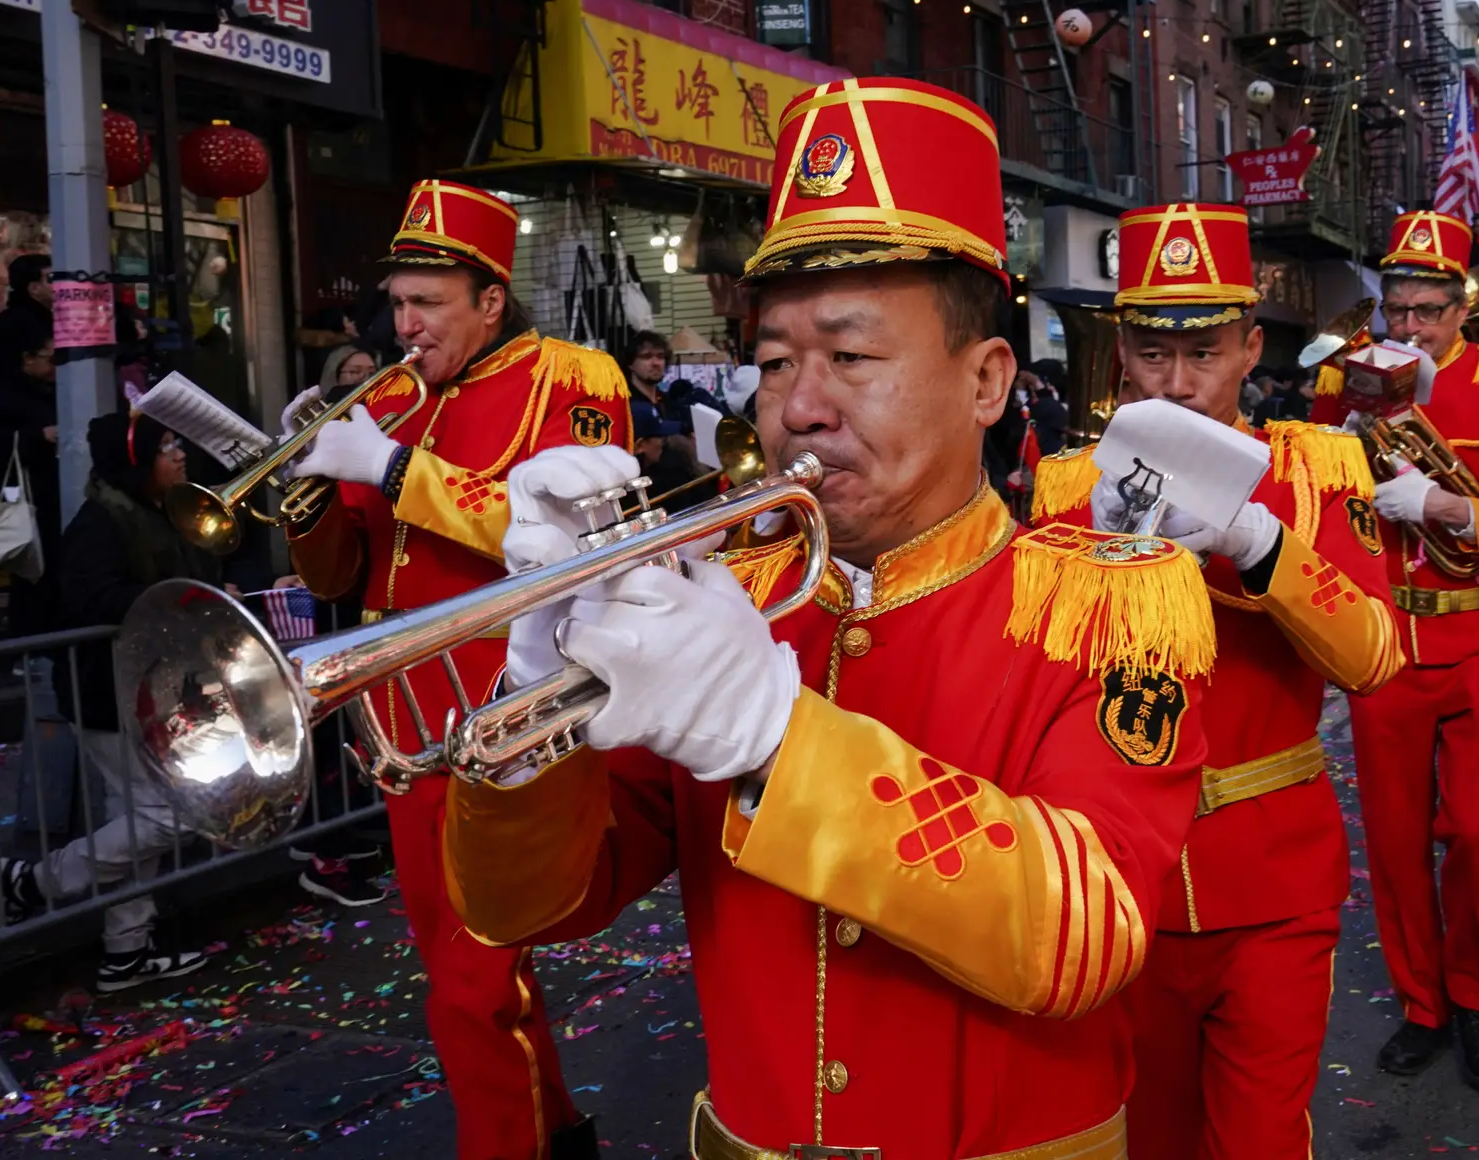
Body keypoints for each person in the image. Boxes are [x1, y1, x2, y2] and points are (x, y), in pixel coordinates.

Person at [442, 76, 1214, 1157]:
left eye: (850, 357)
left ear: (989, 380)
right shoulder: (737, 600)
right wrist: (536, 697)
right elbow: (531, 907)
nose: (799, 403)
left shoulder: (1112, 599)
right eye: (773, 363)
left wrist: (778, 738)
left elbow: (1085, 932)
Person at [1029, 201, 1403, 1158]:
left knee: (1260, 1142)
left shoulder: (1319, 469)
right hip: (1123, 875)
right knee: (1145, 1135)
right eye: (1154, 355)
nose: (1180, 383)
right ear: (1122, 354)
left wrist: (1261, 547)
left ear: (1248, 348)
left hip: (1273, 880)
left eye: (1204, 355)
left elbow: (1372, 656)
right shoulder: (1067, 485)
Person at [280, 179, 632, 1160]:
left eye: (427, 302)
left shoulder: (576, 375)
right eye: (397, 303)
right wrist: (309, 505)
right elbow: (346, 571)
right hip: (400, 709)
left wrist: (394, 468)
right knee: (462, 963)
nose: (406, 326)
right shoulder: (387, 398)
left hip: (509, 696)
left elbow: (571, 537)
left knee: (471, 983)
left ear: (489, 296)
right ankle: (557, 1130)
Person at [1330, 212, 1479, 1092]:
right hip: (1388, 640)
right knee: (1391, 841)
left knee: (1476, 832)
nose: (1412, 329)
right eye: (1399, 310)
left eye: (1430, 310)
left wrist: (1449, 509)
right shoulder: (1347, 377)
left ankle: (1478, 995)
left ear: (1464, 307)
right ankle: (1423, 1003)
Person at [0, 412, 214, 992]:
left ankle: (125, 951)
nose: (179, 456)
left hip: (148, 690)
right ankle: (38, 882)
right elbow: (96, 600)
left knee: (134, 817)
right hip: (108, 692)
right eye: (166, 447)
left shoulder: (152, 514)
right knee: (168, 817)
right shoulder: (99, 525)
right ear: (136, 461)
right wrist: (184, 598)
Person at [0, 317, 62, 639]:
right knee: (32, 579)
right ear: (26, 359)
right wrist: (37, 437)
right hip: (24, 500)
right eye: (50, 358)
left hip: (51, 500)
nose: (56, 367)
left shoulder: (51, 391)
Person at [0, 253, 53, 389]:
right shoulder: (28, 321)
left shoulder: (15, 316)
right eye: (51, 279)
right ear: (34, 288)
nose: (60, 284)